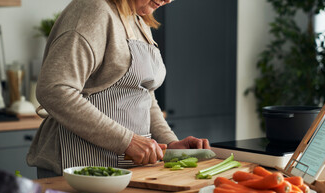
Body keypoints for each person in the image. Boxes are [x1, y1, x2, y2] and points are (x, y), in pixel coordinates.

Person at [27, 0, 211, 179]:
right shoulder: (93, 10)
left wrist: (170, 143)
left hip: (125, 169)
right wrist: (126, 141)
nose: (169, 0)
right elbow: (54, 89)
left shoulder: (138, 20)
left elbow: (144, 96)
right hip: (77, 166)